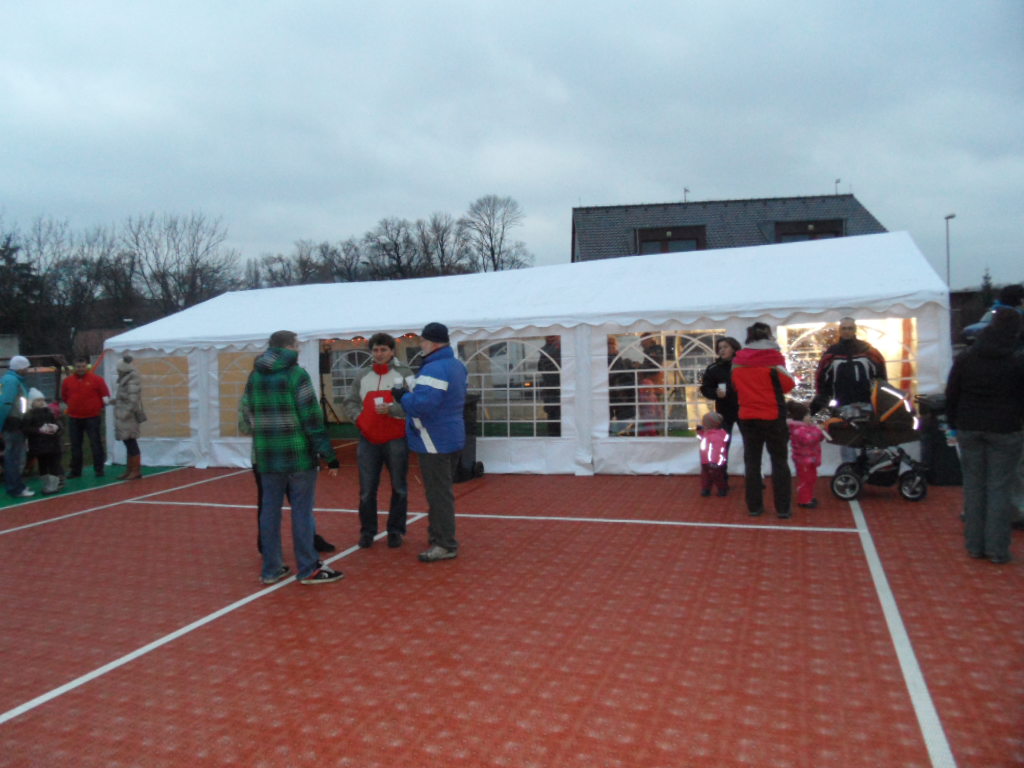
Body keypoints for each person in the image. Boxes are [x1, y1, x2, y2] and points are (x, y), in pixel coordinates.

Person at [239, 330, 344, 585]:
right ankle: (308, 567)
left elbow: (245, 416)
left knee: (269, 511)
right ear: (289, 346)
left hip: (266, 455)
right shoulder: (297, 374)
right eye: (296, 344)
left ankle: (271, 567)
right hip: (298, 456)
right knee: (302, 512)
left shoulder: (254, 376)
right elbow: (312, 418)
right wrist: (328, 454)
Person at [945, 308, 1024, 565]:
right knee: (999, 489)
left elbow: (952, 392)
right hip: (1005, 428)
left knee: (973, 486)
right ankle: (997, 549)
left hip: (969, 426)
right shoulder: (1016, 361)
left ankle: (974, 545)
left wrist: (953, 423)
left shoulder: (967, 358)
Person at [391, 322, 467, 563]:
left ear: (432, 343)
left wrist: (403, 397)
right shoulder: (456, 365)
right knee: (440, 491)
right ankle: (437, 535)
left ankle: (445, 543)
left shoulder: (434, 369)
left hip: (434, 438)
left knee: (439, 494)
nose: (420, 344)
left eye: (423, 340)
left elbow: (422, 406)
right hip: (451, 434)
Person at [343, 332, 412, 549]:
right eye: (375, 350)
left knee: (399, 487)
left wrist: (393, 409)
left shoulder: (405, 374)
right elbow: (350, 402)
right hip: (368, 439)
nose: (379, 354)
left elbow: (415, 402)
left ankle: (395, 531)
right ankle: (368, 531)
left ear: (392, 351)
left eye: (383, 349)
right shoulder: (362, 376)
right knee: (367, 490)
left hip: (396, 439)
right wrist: (359, 419)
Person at [732, 322, 795, 519]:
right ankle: (782, 508)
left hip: (748, 416)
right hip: (772, 416)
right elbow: (788, 385)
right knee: (779, 462)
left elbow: (735, 385)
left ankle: (754, 506)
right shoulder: (774, 359)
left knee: (752, 462)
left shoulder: (738, 360)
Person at [699, 336, 742, 484]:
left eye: (725, 347)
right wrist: (715, 393)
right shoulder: (714, 368)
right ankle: (721, 478)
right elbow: (705, 389)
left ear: (734, 349)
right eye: (720, 348)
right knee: (721, 446)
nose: (722, 350)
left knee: (750, 444)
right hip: (724, 412)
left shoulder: (743, 366)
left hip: (744, 410)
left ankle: (754, 476)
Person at [61, 355, 111, 478]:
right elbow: (64, 397)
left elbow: (105, 395)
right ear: (74, 367)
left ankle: (99, 469)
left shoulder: (97, 380)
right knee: (75, 445)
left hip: (92, 417)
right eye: (78, 367)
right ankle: (75, 470)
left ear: (87, 367)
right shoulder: (67, 381)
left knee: (95, 443)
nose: (81, 369)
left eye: (83, 366)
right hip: (74, 417)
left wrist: (98, 407)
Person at [2, 356, 35, 498]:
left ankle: (16, 485)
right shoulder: (12, 381)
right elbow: (5, 403)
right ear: (20, 368)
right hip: (13, 423)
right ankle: (15, 487)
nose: (27, 370)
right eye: (26, 367)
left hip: (16, 422)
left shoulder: (11, 380)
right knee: (14, 457)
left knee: (15, 456)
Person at [21, 387, 64, 495]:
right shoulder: (28, 415)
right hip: (38, 446)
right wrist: (38, 430)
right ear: (32, 402)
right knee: (43, 465)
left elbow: (58, 424)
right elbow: (25, 429)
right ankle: (47, 484)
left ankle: (54, 485)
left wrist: (56, 427)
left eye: (42, 400)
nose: (41, 402)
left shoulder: (49, 412)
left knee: (53, 464)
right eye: (38, 400)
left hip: (52, 444)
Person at [787, 400, 826, 509]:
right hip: (803, 460)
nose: (810, 417)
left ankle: (808, 496)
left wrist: (820, 432)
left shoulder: (807, 428)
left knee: (812, 478)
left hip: (810, 459)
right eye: (808, 415)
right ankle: (804, 500)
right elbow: (808, 440)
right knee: (806, 480)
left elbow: (817, 438)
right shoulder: (798, 430)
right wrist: (818, 431)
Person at [113, 354, 146, 481]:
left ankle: (135, 470)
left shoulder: (131, 380)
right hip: (124, 415)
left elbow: (132, 401)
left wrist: (124, 413)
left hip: (128, 417)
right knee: (128, 442)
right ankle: (130, 469)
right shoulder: (126, 380)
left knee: (131, 443)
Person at [697, 411, 729, 497]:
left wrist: (715, 461)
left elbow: (717, 450)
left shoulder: (715, 436)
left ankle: (721, 489)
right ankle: (706, 489)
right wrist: (700, 432)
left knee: (717, 476)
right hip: (706, 460)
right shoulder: (708, 433)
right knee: (706, 476)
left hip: (714, 461)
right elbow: (701, 438)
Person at [538, 335, 561, 436]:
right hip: (553, 393)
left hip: (557, 392)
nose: (551, 336)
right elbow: (543, 370)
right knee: (554, 421)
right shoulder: (545, 351)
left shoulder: (566, 348)